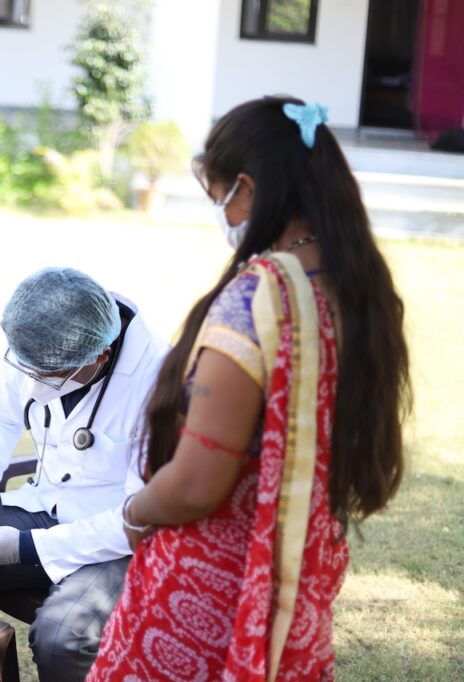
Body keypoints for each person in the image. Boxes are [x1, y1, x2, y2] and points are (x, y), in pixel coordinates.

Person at [87, 97, 411, 681]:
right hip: (298, 577)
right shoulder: (358, 289)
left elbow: (194, 485)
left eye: (218, 197)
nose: (222, 214)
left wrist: (135, 513)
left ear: (246, 187)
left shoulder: (259, 300)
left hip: (216, 588)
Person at [0, 267, 169, 681]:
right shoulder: (40, 334)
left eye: (47, 376)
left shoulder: (159, 381)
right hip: (45, 506)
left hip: (117, 542)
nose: (34, 384)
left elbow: (137, 518)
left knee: (66, 635)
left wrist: (22, 548)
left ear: (99, 358)